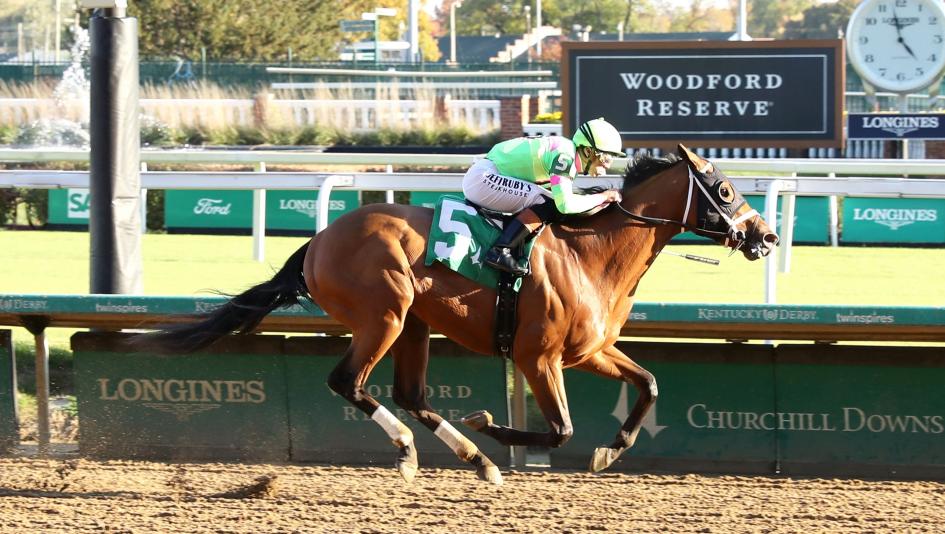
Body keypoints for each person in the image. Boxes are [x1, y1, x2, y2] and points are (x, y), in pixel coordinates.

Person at [462, 117, 625, 276]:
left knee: (547, 199)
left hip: (486, 175)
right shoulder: (565, 157)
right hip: (483, 178)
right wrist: (603, 197)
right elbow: (565, 205)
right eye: (606, 157)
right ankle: (500, 250)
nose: (608, 165)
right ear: (588, 151)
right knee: (546, 202)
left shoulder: (567, 153)